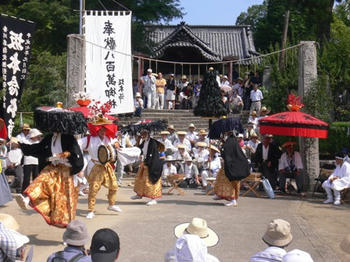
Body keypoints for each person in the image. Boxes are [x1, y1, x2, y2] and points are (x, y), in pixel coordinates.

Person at [14, 106, 85, 227]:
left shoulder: (68, 138)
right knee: (41, 180)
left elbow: (76, 154)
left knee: (65, 201)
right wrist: (20, 146)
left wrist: (72, 161)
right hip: (53, 167)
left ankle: (70, 227)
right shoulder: (49, 138)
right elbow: (37, 149)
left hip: (67, 171)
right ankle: (27, 199)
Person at [79, 117, 122, 219]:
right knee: (93, 189)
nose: (103, 131)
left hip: (107, 166)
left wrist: (117, 144)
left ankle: (111, 204)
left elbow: (116, 142)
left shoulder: (108, 138)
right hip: (95, 166)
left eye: (104, 129)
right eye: (101, 129)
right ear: (97, 130)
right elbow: (77, 145)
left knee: (114, 186)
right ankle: (91, 210)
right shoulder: (89, 139)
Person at [214, 132, 249, 206]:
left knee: (233, 184)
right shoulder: (231, 142)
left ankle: (233, 200)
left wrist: (222, 148)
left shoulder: (230, 142)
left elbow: (226, 154)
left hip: (234, 167)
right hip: (232, 166)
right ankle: (221, 195)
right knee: (222, 179)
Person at [131, 129, 163, 205]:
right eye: (142, 133)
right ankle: (139, 194)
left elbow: (152, 155)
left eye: (144, 133)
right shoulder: (144, 141)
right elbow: (138, 149)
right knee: (140, 179)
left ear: (148, 133)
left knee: (151, 181)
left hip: (152, 164)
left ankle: (153, 198)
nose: (142, 135)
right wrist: (138, 140)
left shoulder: (152, 142)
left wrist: (147, 163)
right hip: (145, 163)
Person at [21, 128, 42, 194]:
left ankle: (34, 192)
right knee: (26, 178)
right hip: (27, 162)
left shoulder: (38, 143)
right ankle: (24, 191)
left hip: (36, 162)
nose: (38, 137)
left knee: (35, 177)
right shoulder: (26, 142)